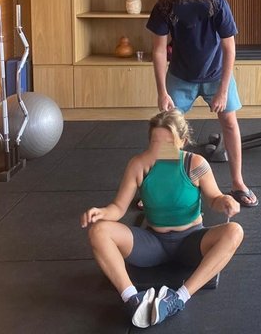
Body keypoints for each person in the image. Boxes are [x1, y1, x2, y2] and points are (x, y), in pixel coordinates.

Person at [81, 109, 243, 328]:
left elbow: (214, 198)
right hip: (153, 244)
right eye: (155, 143)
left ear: (183, 141)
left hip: (192, 243)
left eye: (168, 143)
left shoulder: (195, 164)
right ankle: (133, 300)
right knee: (98, 231)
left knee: (235, 231)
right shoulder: (139, 165)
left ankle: (178, 299)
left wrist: (225, 200)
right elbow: (118, 208)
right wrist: (102, 213)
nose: (160, 149)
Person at [146, 0, 258, 208]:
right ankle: (162, 185)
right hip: (181, 74)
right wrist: (162, 91)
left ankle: (238, 183)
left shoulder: (217, 4)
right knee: (167, 128)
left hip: (216, 73)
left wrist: (223, 91)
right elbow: (158, 50)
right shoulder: (165, 5)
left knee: (229, 122)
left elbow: (229, 48)